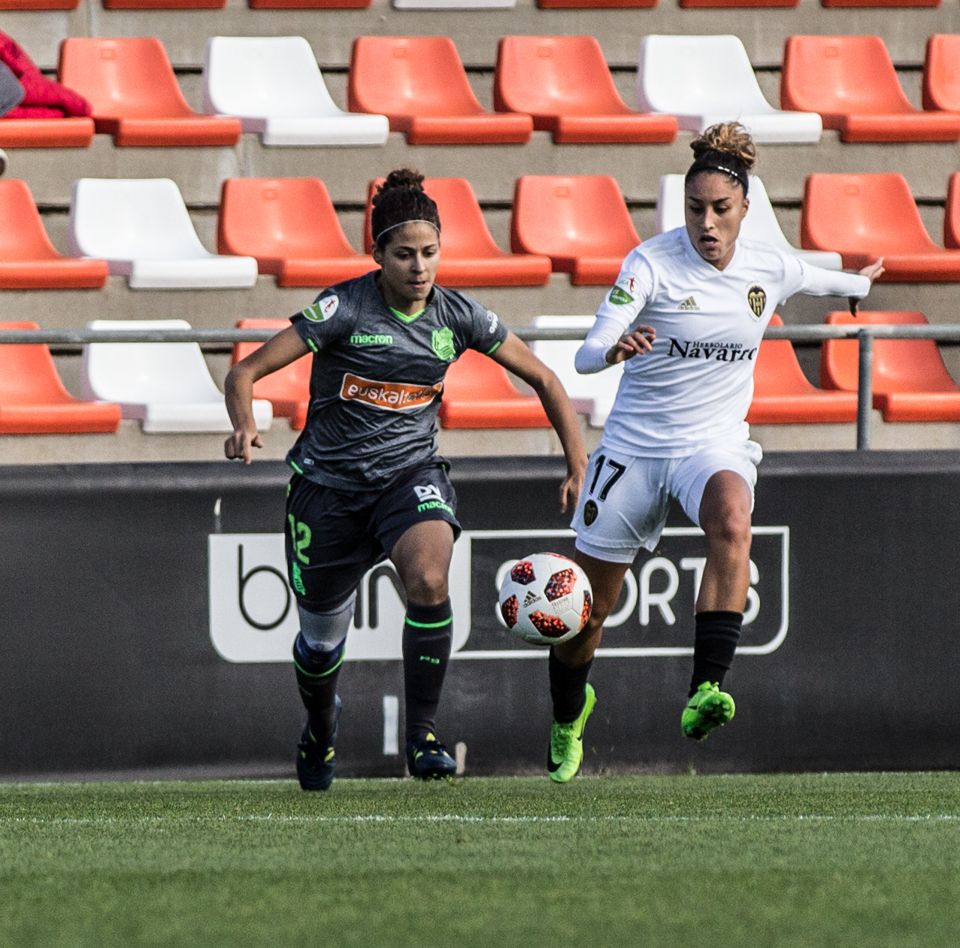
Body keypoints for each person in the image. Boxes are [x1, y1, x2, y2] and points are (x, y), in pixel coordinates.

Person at [225, 169, 587, 790]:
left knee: (427, 575)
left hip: (407, 479)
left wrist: (577, 461)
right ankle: (321, 727)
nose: (419, 267)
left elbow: (546, 379)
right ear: (377, 255)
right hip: (327, 493)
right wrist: (242, 426)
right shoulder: (344, 308)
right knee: (318, 650)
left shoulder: (459, 315)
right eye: (404, 254)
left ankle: (423, 736)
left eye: (429, 252)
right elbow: (246, 372)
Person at [545, 122, 885, 783]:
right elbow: (590, 351)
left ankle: (706, 688)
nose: (706, 221)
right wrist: (613, 351)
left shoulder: (768, 267)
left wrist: (862, 282)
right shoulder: (649, 265)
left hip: (712, 443)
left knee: (733, 519)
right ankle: (567, 713)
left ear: (745, 210)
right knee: (587, 612)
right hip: (635, 450)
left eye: (720, 209)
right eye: (694, 208)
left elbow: (825, 278)